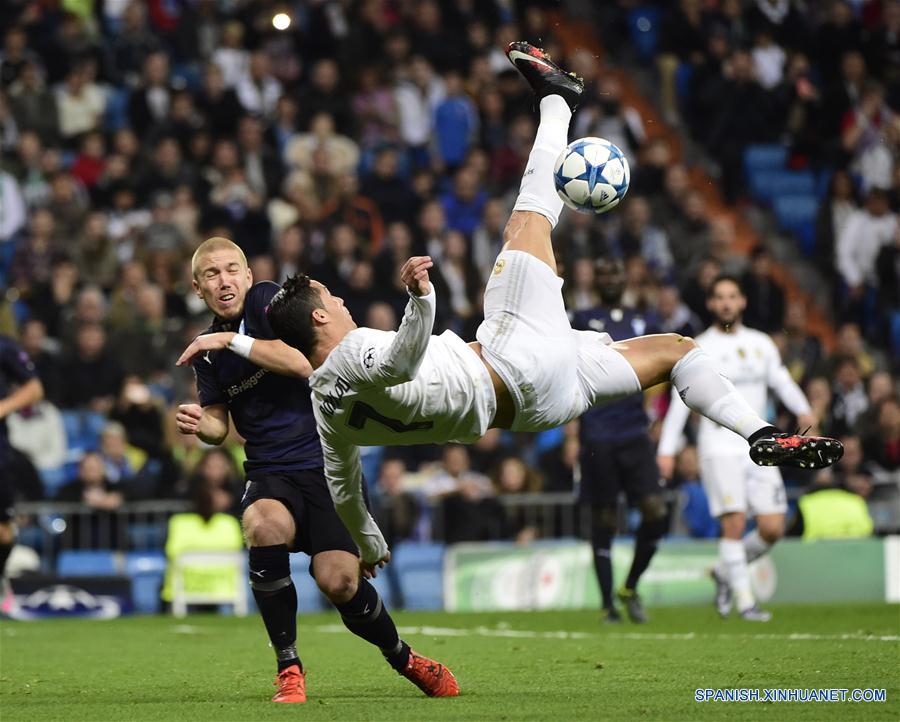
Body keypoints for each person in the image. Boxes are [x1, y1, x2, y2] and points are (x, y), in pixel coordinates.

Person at [246, 42, 840, 585]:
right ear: (320, 321)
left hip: (540, 408)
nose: (344, 302)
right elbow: (400, 362)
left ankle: (762, 436)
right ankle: (558, 99)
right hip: (513, 358)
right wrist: (421, 299)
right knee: (529, 219)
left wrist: (369, 541)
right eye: (334, 300)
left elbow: (346, 491)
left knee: (679, 351)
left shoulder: (328, 413)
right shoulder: (352, 354)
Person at [174, 237, 458, 704]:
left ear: (247, 276)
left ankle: (404, 657)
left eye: (231, 270)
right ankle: (289, 667)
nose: (223, 280)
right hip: (270, 469)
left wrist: (229, 339)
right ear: (197, 286)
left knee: (340, 582)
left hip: (328, 461)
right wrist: (198, 423)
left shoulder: (269, 302)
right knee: (264, 525)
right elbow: (217, 425)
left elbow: (303, 362)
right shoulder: (206, 353)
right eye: (211, 274)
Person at [657, 275, 818, 621]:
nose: (727, 303)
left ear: (743, 301)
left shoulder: (762, 344)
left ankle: (724, 572)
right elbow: (677, 403)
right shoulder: (696, 347)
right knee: (733, 523)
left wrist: (805, 410)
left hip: (761, 445)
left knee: (773, 527)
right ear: (711, 304)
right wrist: (667, 450)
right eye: (720, 297)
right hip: (718, 446)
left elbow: (781, 381)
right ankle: (746, 603)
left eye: (732, 296)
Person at [570, 258, 667, 624]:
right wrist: (569, 432)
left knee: (656, 511)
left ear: (625, 279)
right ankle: (608, 604)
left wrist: (654, 413)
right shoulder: (580, 320)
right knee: (604, 518)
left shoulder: (642, 322)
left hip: (634, 433)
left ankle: (630, 585)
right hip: (596, 432)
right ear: (596, 280)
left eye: (616, 272)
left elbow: (664, 365)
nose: (611, 277)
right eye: (605, 273)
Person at [0, 334, 44, 613]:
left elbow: (35, 388)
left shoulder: (3, 347)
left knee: (3, 534)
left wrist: (2, 407)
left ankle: (0, 576)